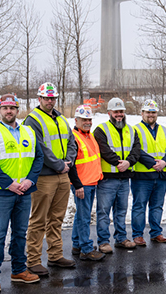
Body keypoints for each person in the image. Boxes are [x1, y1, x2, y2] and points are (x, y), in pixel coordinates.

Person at [0, 94, 44, 293]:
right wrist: (9, 184)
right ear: (0, 110)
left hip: (24, 192)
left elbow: (38, 158)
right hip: (0, 193)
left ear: (18, 110)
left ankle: (18, 270)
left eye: (12, 108)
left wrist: (29, 180)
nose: (9, 111)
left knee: (20, 233)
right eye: (5, 108)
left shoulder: (28, 132)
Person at [24, 83, 77, 276]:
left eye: (52, 98)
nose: (50, 101)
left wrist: (68, 162)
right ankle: (33, 260)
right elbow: (39, 148)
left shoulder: (61, 118)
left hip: (63, 175)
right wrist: (58, 164)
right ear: (39, 99)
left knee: (56, 218)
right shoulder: (32, 119)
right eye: (46, 98)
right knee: (39, 220)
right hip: (44, 177)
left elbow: (72, 142)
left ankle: (55, 255)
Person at [94, 98, 142, 253]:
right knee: (104, 212)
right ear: (109, 113)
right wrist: (117, 163)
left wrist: (128, 163)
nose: (119, 115)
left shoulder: (132, 130)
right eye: (116, 112)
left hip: (124, 178)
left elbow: (136, 149)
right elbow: (103, 149)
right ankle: (103, 241)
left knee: (121, 211)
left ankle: (121, 238)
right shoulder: (101, 130)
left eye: (121, 111)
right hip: (108, 178)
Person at [131, 100, 166, 245]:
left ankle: (156, 232)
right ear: (142, 113)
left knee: (157, 206)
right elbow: (136, 150)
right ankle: (138, 234)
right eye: (148, 112)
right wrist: (152, 163)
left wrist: (164, 162)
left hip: (161, 174)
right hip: (142, 175)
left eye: (153, 112)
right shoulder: (134, 130)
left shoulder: (165, 130)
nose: (151, 115)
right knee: (139, 206)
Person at [68, 105, 105, 261]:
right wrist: (77, 185)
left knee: (80, 215)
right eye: (84, 120)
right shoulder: (74, 138)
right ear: (76, 120)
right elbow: (70, 164)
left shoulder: (89, 136)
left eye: (89, 119)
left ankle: (77, 244)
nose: (87, 122)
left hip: (91, 182)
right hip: (82, 184)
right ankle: (86, 249)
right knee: (84, 217)